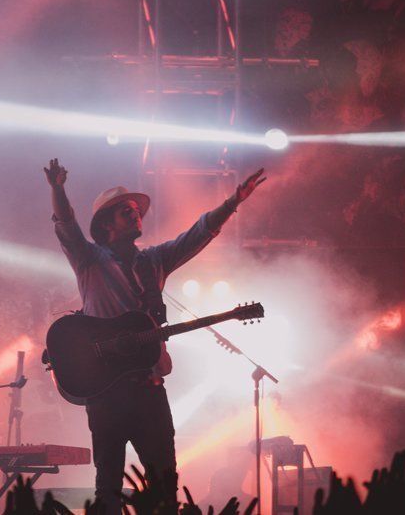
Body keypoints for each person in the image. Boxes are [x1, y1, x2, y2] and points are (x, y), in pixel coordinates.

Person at [44, 158, 266, 512]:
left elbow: (197, 234)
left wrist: (233, 202)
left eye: (136, 210)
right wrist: (57, 189)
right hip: (106, 394)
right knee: (109, 489)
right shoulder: (89, 260)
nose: (135, 215)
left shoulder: (154, 261)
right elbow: (67, 226)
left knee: (164, 485)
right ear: (106, 226)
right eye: (125, 212)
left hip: (149, 389)